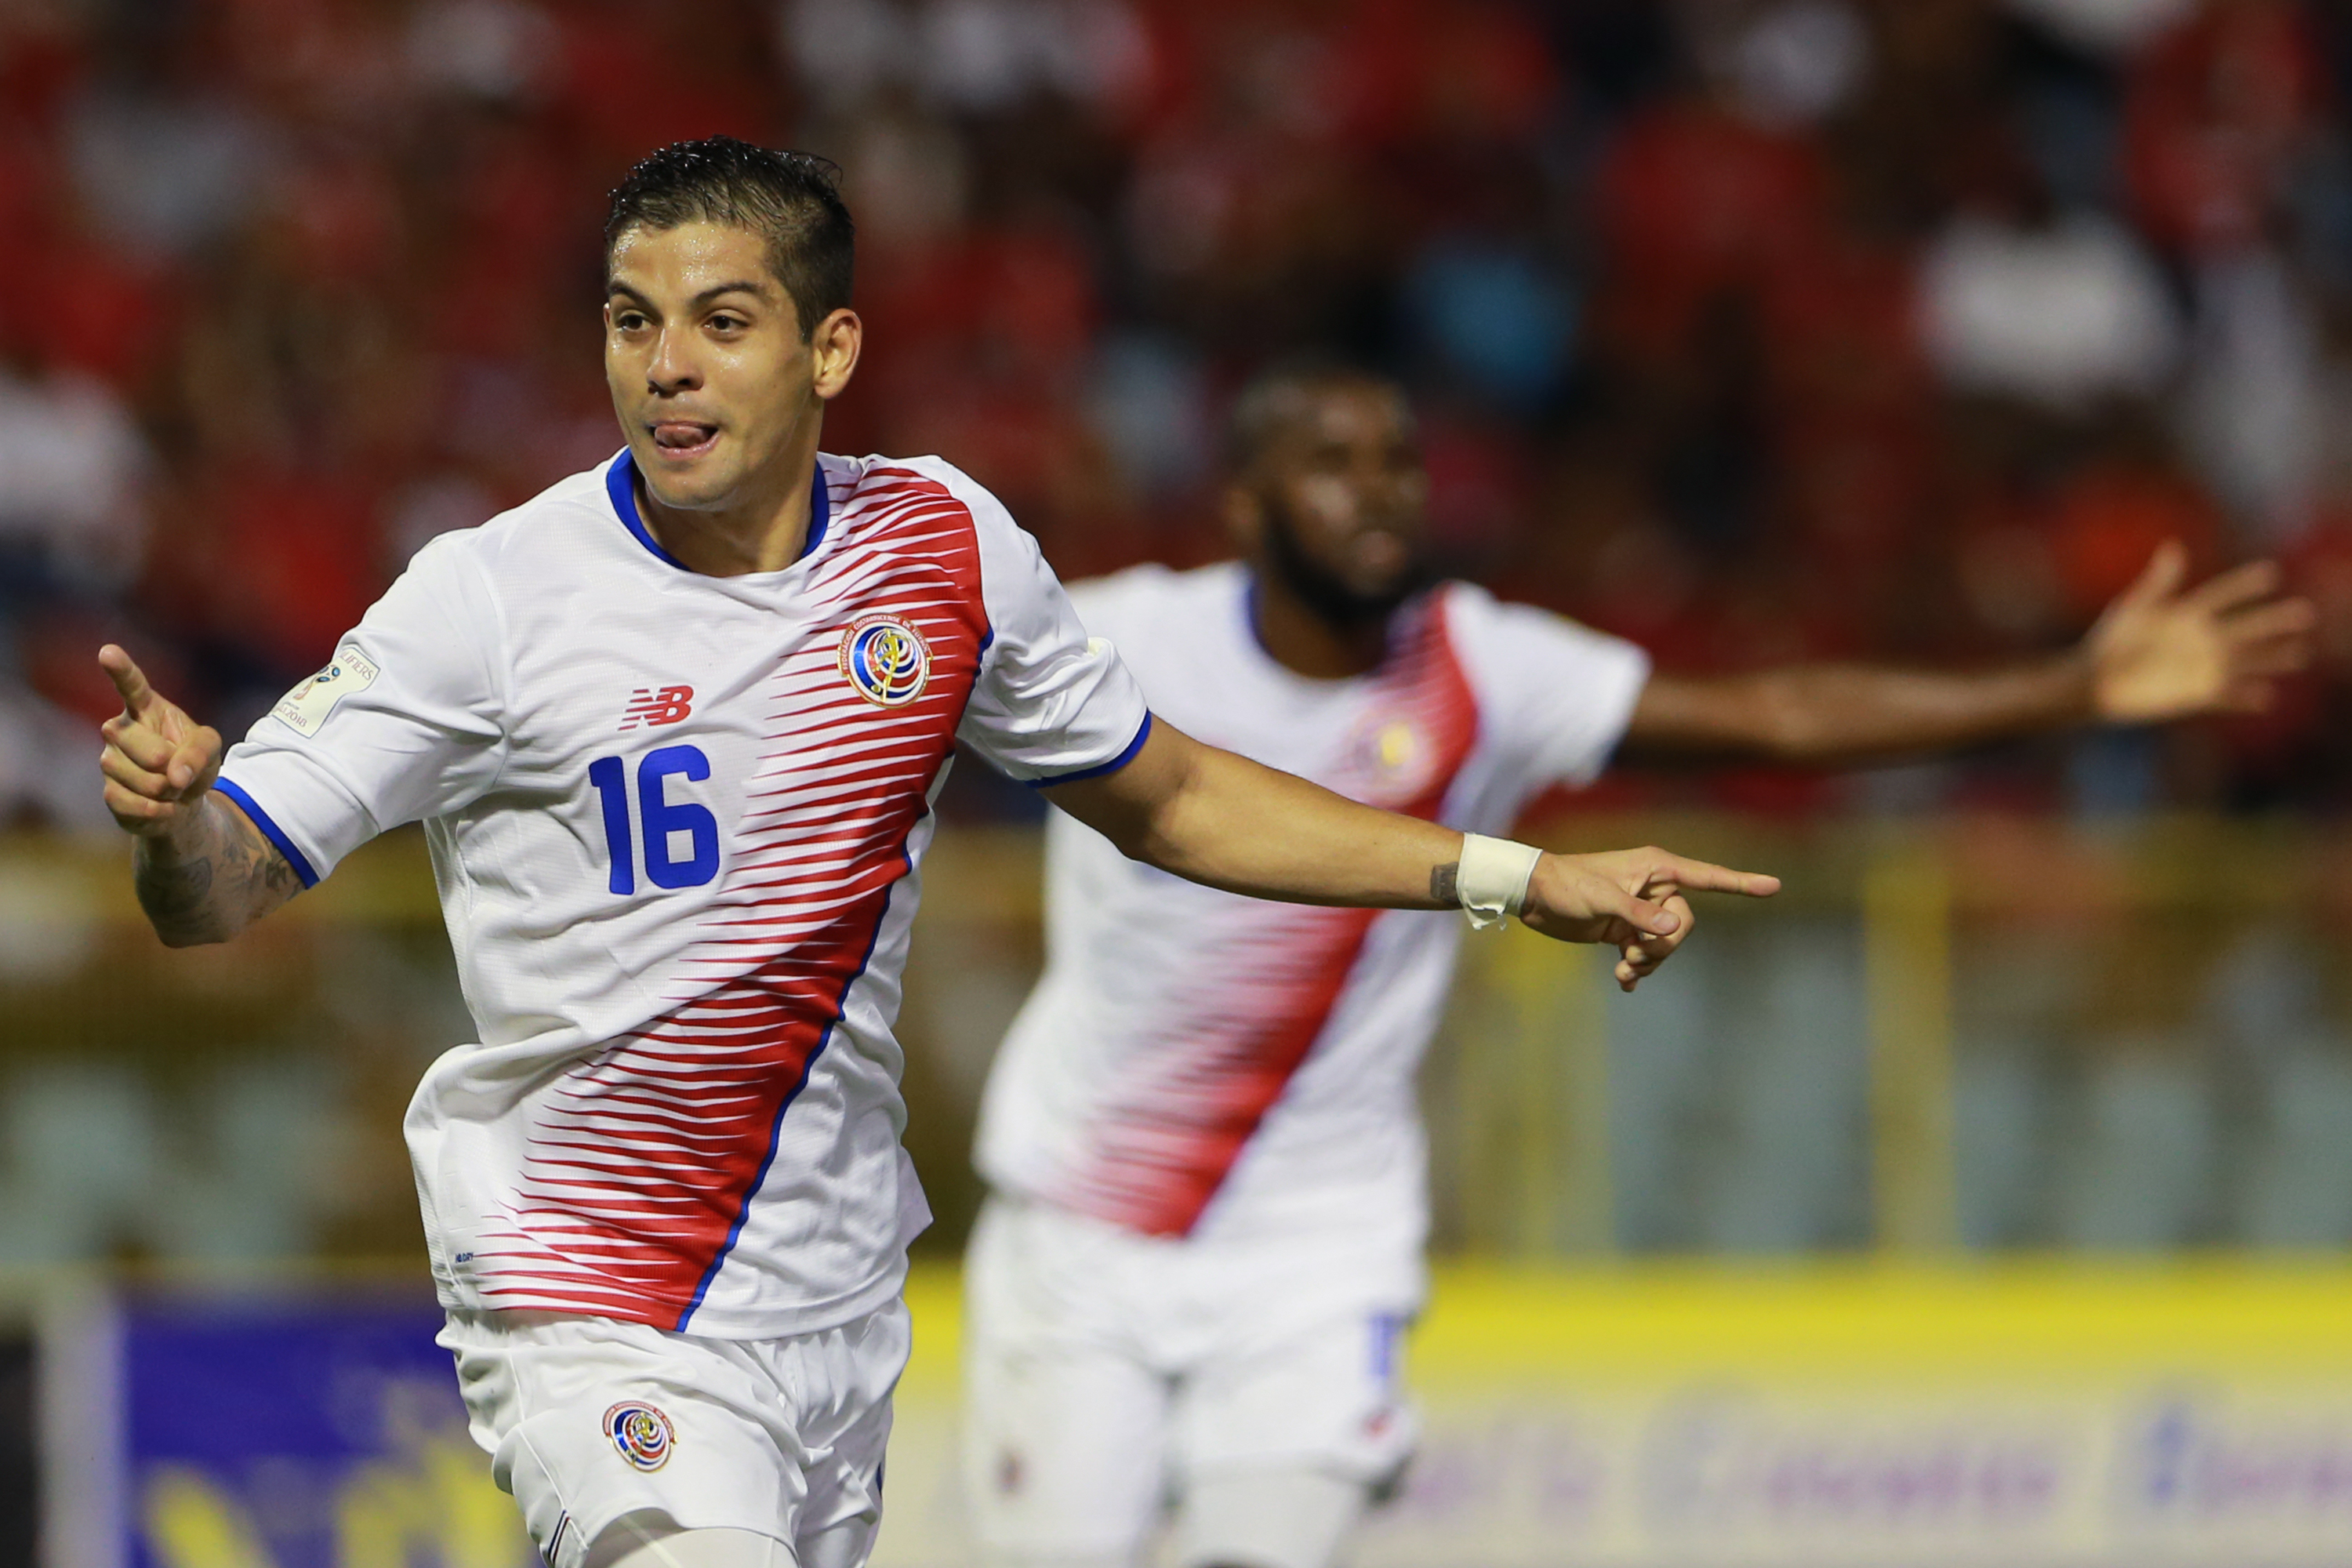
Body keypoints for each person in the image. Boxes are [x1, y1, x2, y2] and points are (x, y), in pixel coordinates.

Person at [90, 140, 1776, 1568]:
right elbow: (229, 882)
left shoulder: (942, 547)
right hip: (592, 1289)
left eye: (720, 322)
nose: (665, 364)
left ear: (829, 352)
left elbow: (1173, 796)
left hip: (832, 1301)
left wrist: (1508, 872)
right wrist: (177, 829)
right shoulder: (492, 598)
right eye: (631, 322)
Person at [961, 364, 2317, 1568]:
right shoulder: (1114, 635)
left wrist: (2065, 693)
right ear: (1246, 508)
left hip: (1319, 1250)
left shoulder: (1478, 663)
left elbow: (1772, 714)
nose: (1378, 493)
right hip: (1083, 1230)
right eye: (1330, 463)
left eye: (1397, 461)